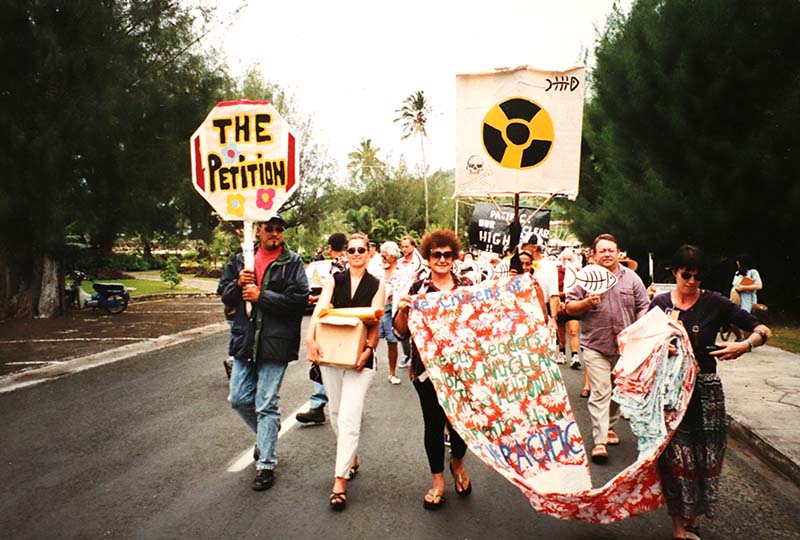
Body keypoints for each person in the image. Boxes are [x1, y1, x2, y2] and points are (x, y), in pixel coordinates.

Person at [649, 245, 772, 540]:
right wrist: (658, 348)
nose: (692, 282)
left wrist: (745, 345)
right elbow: (639, 342)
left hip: (707, 393)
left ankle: (693, 518)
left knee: (706, 459)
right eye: (686, 275)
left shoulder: (715, 303)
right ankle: (679, 527)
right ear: (674, 272)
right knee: (675, 461)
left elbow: (763, 330)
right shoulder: (659, 304)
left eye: (698, 277)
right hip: (672, 393)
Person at [217, 215, 309, 490]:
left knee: (266, 403)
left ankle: (266, 463)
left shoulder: (292, 262)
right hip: (246, 340)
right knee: (238, 398)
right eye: (269, 228)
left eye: (279, 229)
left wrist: (262, 297)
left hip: (276, 343)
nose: (274, 233)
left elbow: (299, 300)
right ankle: (267, 433)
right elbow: (224, 293)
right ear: (259, 230)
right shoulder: (240, 259)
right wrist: (238, 284)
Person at [394, 230, 473, 511]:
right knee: (433, 423)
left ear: (454, 257)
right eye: (436, 254)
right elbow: (400, 331)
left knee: (461, 423)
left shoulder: (467, 287)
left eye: (447, 254)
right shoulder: (417, 290)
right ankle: (438, 480)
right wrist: (403, 309)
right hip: (426, 372)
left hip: (462, 371)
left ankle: (458, 462)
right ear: (427, 257)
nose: (442, 259)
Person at [306, 233, 386, 511]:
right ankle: (350, 457)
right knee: (336, 413)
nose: (355, 253)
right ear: (345, 253)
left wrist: (369, 350)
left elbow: (376, 322)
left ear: (369, 252)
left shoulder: (378, 285)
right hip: (332, 353)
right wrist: (310, 338)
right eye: (351, 250)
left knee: (350, 417)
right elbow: (319, 310)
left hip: (360, 359)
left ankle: (339, 481)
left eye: (360, 249)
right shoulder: (334, 280)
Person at [565, 233, 649, 464]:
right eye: (602, 250)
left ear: (618, 253)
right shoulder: (585, 277)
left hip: (624, 346)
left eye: (611, 250)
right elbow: (570, 307)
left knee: (616, 392)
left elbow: (643, 305)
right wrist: (586, 303)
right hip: (595, 345)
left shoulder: (631, 278)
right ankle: (599, 441)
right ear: (593, 255)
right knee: (601, 390)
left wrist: (641, 327)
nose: (607, 254)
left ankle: (609, 427)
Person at [296, 232, 349, 425]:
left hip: (334, 319)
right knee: (328, 362)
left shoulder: (339, 265)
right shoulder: (347, 263)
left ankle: (328, 405)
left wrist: (316, 299)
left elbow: (336, 291)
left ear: (329, 247)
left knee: (326, 360)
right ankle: (322, 404)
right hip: (341, 320)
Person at [397, 235, 426, 368]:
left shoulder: (421, 263)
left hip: (417, 302)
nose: (404, 249)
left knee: (416, 330)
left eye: (407, 246)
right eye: (402, 246)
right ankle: (407, 354)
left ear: (413, 246)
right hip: (401, 301)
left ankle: (419, 358)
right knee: (401, 330)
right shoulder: (400, 262)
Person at [557, 247, 586, 373]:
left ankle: (575, 355)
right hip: (560, 305)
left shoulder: (578, 272)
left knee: (574, 331)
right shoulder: (556, 272)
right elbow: (553, 290)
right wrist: (562, 295)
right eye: (565, 259)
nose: (567, 261)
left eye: (569, 259)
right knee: (561, 333)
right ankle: (562, 352)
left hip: (573, 305)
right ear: (561, 259)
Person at [378, 241, 403, 385]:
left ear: (393, 257)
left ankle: (392, 373)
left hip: (391, 311)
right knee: (369, 342)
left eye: (385, 256)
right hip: (376, 309)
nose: (382, 258)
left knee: (392, 342)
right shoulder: (377, 270)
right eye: (381, 255)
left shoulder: (402, 271)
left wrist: (397, 295)